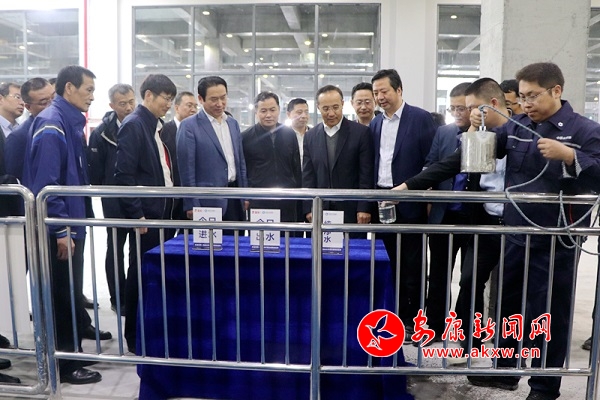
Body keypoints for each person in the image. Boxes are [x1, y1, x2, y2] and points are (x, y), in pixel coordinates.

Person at [400, 63, 600, 400]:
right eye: (522, 96)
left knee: (548, 312)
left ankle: (544, 385)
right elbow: (465, 159)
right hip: (516, 233)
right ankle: (506, 371)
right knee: (510, 305)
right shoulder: (518, 128)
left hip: (556, 239)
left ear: (556, 91)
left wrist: (569, 156)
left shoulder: (584, 131)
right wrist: (411, 185)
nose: (527, 103)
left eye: (533, 95)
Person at [22, 65, 102, 384]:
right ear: (69, 88)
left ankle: (71, 354)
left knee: (69, 293)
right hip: (59, 228)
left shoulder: (68, 121)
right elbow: (47, 184)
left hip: (70, 223)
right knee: (61, 296)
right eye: (88, 90)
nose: (92, 97)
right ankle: (65, 365)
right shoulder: (52, 123)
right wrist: (61, 230)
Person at [369, 68, 436, 339]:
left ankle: (413, 319)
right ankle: (393, 313)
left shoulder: (420, 118)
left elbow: (431, 161)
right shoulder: (376, 123)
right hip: (381, 200)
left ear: (399, 90)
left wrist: (424, 195)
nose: (380, 97)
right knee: (388, 261)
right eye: (376, 93)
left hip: (410, 200)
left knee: (413, 263)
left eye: (384, 91)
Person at [114, 74, 177, 353]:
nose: (169, 104)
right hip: (146, 217)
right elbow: (124, 175)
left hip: (160, 213)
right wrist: (137, 214)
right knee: (140, 275)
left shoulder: (154, 126)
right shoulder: (134, 125)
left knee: (153, 274)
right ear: (149, 95)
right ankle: (135, 336)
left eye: (171, 100)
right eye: (166, 98)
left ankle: (151, 330)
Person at [421, 82, 472, 343]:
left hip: (474, 216)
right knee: (439, 274)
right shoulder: (444, 132)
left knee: (470, 278)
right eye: (453, 108)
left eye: (461, 108)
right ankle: (435, 327)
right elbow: (431, 163)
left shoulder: (489, 133)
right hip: (443, 214)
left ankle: (465, 330)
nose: (457, 113)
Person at [88, 83, 136, 316]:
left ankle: (135, 294)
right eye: (122, 103)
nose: (128, 108)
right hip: (114, 201)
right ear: (112, 105)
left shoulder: (142, 127)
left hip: (138, 198)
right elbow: (95, 172)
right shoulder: (101, 133)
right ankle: (118, 297)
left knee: (137, 250)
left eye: (131, 102)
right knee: (115, 248)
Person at [302, 84, 374, 233]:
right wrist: (308, 208)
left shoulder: (360, 133)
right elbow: (308, 176)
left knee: (351, 247)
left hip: (351, 209)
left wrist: (364, 207)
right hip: (320, 209)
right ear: (318, 107)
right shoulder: (310, 136)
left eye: (335, 107)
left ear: (342, 104)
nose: (331, 113)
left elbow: (366, 174)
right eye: (325, 109)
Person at [176, 76, 248, 225]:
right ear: (201, 99)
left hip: (235, 197)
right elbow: (187, 170)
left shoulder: (233, 124)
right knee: (211, 240)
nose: (220, 104)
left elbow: (240, 162)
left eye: (223, 98)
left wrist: (245, 194)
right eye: (214, 99)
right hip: (207, 201)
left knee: (235, 239)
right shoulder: (189, 126)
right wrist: (191, 203)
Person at [242, 91, 301, 223]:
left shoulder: (289, 134)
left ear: (279, 110)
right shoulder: (246, 137)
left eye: (272, 110)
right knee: (261, 235)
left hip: (287, 198)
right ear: (256, 112)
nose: (268, 115)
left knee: (287, 234)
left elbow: (296, 168)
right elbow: (243, 171)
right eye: (263, 111)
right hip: (259, 200)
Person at [5, 78, 55, 182]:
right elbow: (15, 178)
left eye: (54, 98)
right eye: (44, 102)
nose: (51, 105)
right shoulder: (19, 137)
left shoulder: (63, 126)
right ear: (28, 107)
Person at [159, 91, 198, 221]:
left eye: (195, 106)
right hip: (172, 193)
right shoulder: (163, 131)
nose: (193, 110)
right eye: (189, 105)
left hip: (193, 194)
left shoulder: (198, 132)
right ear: (176, 108)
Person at [286, 98, 310, 168]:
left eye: (306, 112)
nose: (304, 116)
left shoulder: (315, 135)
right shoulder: (282, 136)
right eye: (299, 112)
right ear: (288, 114)